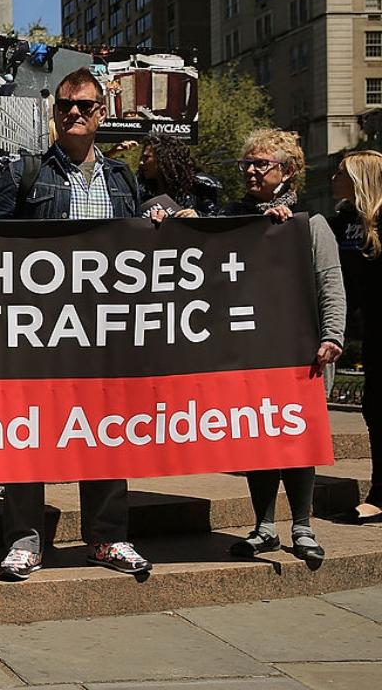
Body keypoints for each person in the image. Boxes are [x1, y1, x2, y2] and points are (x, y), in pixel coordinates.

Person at [0, 68, 149, 580]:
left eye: (85, 106)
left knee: (108, 434)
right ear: (54, 113)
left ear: (102, 114)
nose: (74, 113)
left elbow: (140, 253)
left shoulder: (122, 180)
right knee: (31, 436)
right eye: (65, 105)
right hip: (39, 334)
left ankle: (107, 538)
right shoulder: (26, 174)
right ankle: (26, 542)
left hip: (106, 332)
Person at [222, 130, 346, 566]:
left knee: (296, 439)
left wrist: (332, 336)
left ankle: (302, 525)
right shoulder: (233, 219)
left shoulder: (309, 224)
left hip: (300, 355)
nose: (252, 171)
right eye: (247, 165)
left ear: (287, 171)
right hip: (251, 353)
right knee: (258, 439)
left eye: (262, 164)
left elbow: (330, 284)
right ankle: (265, 526)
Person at [331, 151, 382, 522]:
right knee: (374, 409)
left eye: (342, 173)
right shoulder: (342, 221)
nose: (334, 178)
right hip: (370, 331)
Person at [112, 135, 220, 217]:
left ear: (163, 160)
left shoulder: (200, 186)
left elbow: (217, 220)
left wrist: (198, 216)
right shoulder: (139, 189)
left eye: (147, 158)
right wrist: (110, 153)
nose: (141, 163)